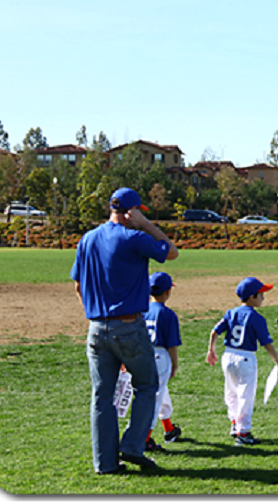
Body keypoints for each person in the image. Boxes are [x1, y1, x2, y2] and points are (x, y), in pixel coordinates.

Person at [70, 187, 178, 474]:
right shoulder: (135, 237)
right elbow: (172, 252)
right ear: (132, 211)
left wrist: (96, 317)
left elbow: (78, 286)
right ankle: (132, 446)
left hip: (96, 328)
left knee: (101, 396)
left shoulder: (88, 239)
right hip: (129, 325)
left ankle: (104, 464)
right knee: (147, 384)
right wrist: (146, 224)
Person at [206, 277, 278, 446]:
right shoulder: (257, 318)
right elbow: (266, 343)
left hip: (228, 356)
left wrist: (211, 350)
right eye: (261, 294)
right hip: (245, 358)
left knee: (231, 393)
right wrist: (276, 359)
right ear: (251, 297)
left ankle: (234, 424)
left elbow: (214, 332)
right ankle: (244, 432)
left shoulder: (231, 312)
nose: (263, 297)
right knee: (245, 396)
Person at [142, 272, 183, 452]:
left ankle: (169, 429)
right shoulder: (167, 314)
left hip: (142, 355)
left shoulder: (141, 310)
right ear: (167, 292)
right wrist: (174, 364)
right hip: (160, 356)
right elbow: (172, 344)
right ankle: (145, 439)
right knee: (154, 397)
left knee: (160, 390)